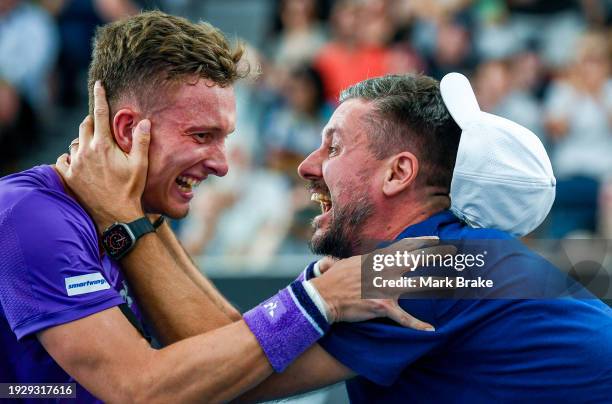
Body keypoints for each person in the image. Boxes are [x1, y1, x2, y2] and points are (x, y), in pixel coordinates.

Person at [62, 72, 611, 403]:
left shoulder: (433, 265)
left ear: (398, 174)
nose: (305, 165)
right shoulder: (446, 258)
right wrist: (141, 212)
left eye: (334, 146)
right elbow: (236, 344)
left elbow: (222, 377)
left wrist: (124, 213)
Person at [0, 11, 436, 403]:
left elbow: (226, 355)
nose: (223, 165)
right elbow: (145, 388)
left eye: (334, 146)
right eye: (202, 135)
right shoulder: (29, 215)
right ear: (128, 129)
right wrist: (321, 296)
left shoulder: (127, 212)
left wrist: (318, 293)